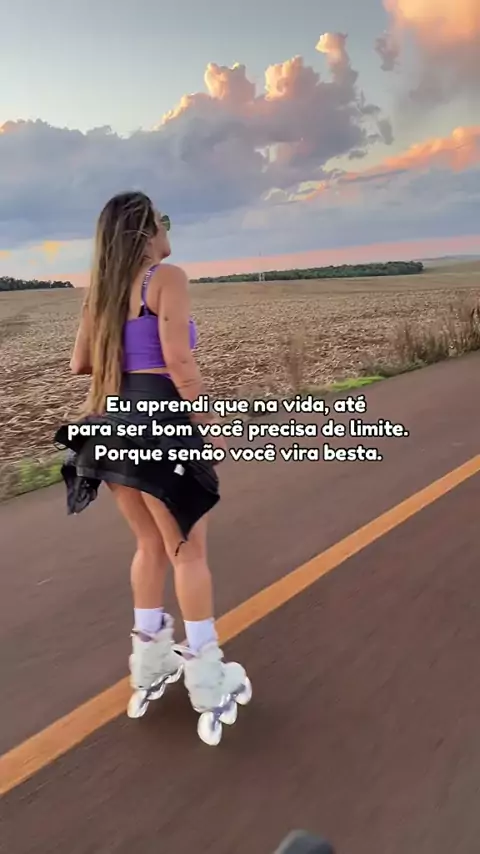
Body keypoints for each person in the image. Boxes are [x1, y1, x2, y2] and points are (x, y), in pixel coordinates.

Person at [54, 191, 251, 745]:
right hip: (160, 420)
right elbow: (178, 358)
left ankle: (150, 665)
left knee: (149, 545)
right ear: (146, 233)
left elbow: (80, 362)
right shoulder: (166, 278)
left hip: (112, 422)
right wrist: (203, 419)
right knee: (187, 551)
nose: (168, 228)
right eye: (162, 220)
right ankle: (209, 682)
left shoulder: (103, 292)